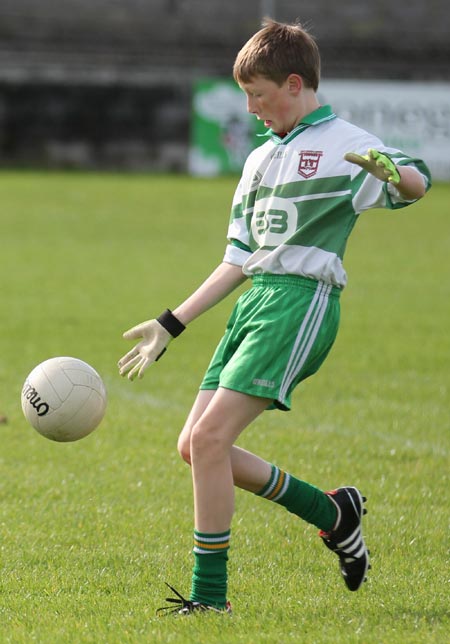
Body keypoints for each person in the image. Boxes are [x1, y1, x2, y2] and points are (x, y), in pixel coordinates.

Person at [118, 19, 431, 614]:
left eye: (259, 96)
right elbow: (239, 258)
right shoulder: (260, 158)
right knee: (194, 446)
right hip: (256, 300)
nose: (252, 109)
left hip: (301, 302)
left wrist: (399, 176)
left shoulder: (344, 142)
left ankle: (211, 600)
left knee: (211, 439)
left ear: (294, 84)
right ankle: (333, 512)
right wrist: (170, 323)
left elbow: (414, 181)